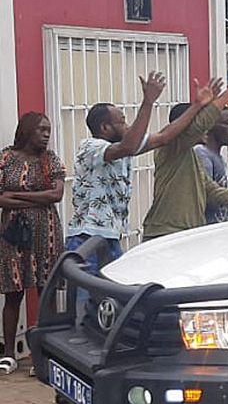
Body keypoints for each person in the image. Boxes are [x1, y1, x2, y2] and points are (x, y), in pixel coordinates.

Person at [66, 71, 186, 266]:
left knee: (110, 295)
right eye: (122, 122)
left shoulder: (123, 147)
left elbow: (164, 137)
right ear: (105, 128)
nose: (127, 126)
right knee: (85, 296)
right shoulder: (91, 147)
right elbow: (128, 146)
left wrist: (198, 106)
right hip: (87, 239)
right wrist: (147, 103)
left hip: (110, 237)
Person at [142, 74, 228, 240]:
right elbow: (202, 123)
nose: (203, 130)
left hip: (186, 233)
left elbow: (213, 192)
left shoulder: (190, 156)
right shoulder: (171, 146)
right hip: (167, 234)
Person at [0, 114, 65, 375]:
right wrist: (38, 199)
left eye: (48, 130)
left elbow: (56, 194)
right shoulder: (6, 158)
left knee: (45, 292)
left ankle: (45, 352)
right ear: (27, 131)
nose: (46, 134)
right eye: (41, 129)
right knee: (13, 293)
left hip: (46, 235)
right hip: (13, 237)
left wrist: (16, 195)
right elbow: (0, 199)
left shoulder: (51, 160)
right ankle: (8, 354)